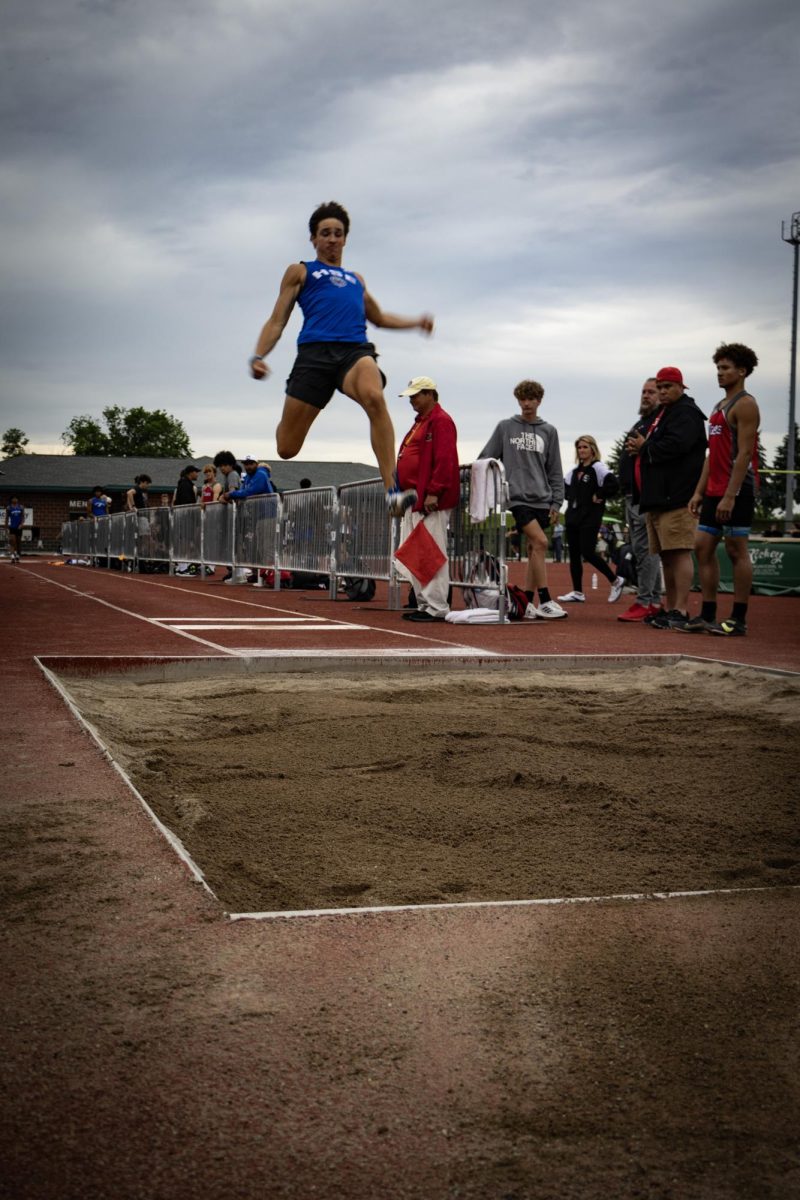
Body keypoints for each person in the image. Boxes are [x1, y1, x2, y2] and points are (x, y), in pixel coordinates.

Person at [248, 200, 434, 516]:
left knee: (375, 396)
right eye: (325, 233)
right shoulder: (301, 271)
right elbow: (277, 319)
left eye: (338, 233)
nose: (332, 239)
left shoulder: (355, 280)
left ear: (345, 238)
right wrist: (258, 355)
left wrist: (415, 322)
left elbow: (379, 317)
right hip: (314, 356)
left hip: (354, 352)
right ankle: (294, 413)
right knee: (287, 447)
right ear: (314, 239)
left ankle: (392, 491)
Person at [683, 343, 761, 637]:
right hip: (714, 489)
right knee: (702, 547)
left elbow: (744, 454)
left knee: (735, 549)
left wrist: (731, 493)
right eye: (718, 368)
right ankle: (708, 613)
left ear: (742, 371)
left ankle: (738, 618)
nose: (720, 373)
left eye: (725, 368)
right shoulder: (718, 407)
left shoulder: (746, 404)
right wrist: (699, 492)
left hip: (737, 490)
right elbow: (711, 455)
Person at [626, 366, 707, 630]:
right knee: (667, 556)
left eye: (666, 387)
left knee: (679, 552)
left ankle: (681, 609)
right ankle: (670, 607)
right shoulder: (666, 413)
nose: (662, 392)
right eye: (659, 387)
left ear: (681, 387)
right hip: (659, 496)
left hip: (678, 495)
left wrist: (644, 446)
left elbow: (677, 446)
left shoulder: (686, 413)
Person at [479, 379, 567, 619]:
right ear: (518, 400)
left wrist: (557, 502)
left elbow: (555, 469)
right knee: (540, 543)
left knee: (532, 549)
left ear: (539, 401)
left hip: (543, 499)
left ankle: (526, 601)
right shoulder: (506, 427)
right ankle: (546, 600)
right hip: (517, 498)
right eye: (522, 399)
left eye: (531, 399)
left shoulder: (549, 431)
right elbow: (486, 457)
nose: (526, 404)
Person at [393, 377, 460, 622]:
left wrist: (435, 490)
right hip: (416, 499)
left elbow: (445, 459)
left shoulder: (440, 421)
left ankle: (437, 606)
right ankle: (424, 603)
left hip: (430, 499)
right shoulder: (423, 422)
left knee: (431, 552)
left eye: (416, 395)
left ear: (430, 394)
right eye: (410, 396)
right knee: (418, 553)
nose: (411, 400)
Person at [616, 378, 664, 621]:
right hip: (632, 496)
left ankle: (645, 601)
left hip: (645, 497)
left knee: (647, 551)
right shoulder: (642, 422)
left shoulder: (658, 423)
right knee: (643, 550)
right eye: (643, 391)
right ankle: (653, 599)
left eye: (651, 392)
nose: (646, 396)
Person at [558, 436, 625, 604]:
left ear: (593, 449)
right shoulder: (573, 471)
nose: (581, 450)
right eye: (579, 447)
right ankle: (577, 592)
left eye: (585, 447)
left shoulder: (598, 467)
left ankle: (615, 580)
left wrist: (599, 494)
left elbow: (614, 484)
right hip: (573, 517)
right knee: (574, 555)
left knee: (587, 551)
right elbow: (563, 489)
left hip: (590, 517)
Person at [219, 455, 276, 585]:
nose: (248, 466)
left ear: (256, 463)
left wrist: (230, 494)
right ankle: (263, 576)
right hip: (258, 516)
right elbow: (244, 490)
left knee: (267, 547)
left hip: (268, 514)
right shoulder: (249, 476)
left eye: (251, 463)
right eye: (246, 463)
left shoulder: (261, 474)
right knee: (260, 547)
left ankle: (269, 577)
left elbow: (251, 491)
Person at [5, 495, 25, 562]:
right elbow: (7, 518)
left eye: (16, 498)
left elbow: (22, 517)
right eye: (13, 498)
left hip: (18, 527)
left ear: (18, 500)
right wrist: (6, 527)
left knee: (18, 542)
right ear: (11, 500)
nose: (15, 500)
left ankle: (17, 554)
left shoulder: (21, 507)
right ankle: (12, 555)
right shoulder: (9, 508)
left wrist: (21, 524)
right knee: (12, 541)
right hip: (12, 527)